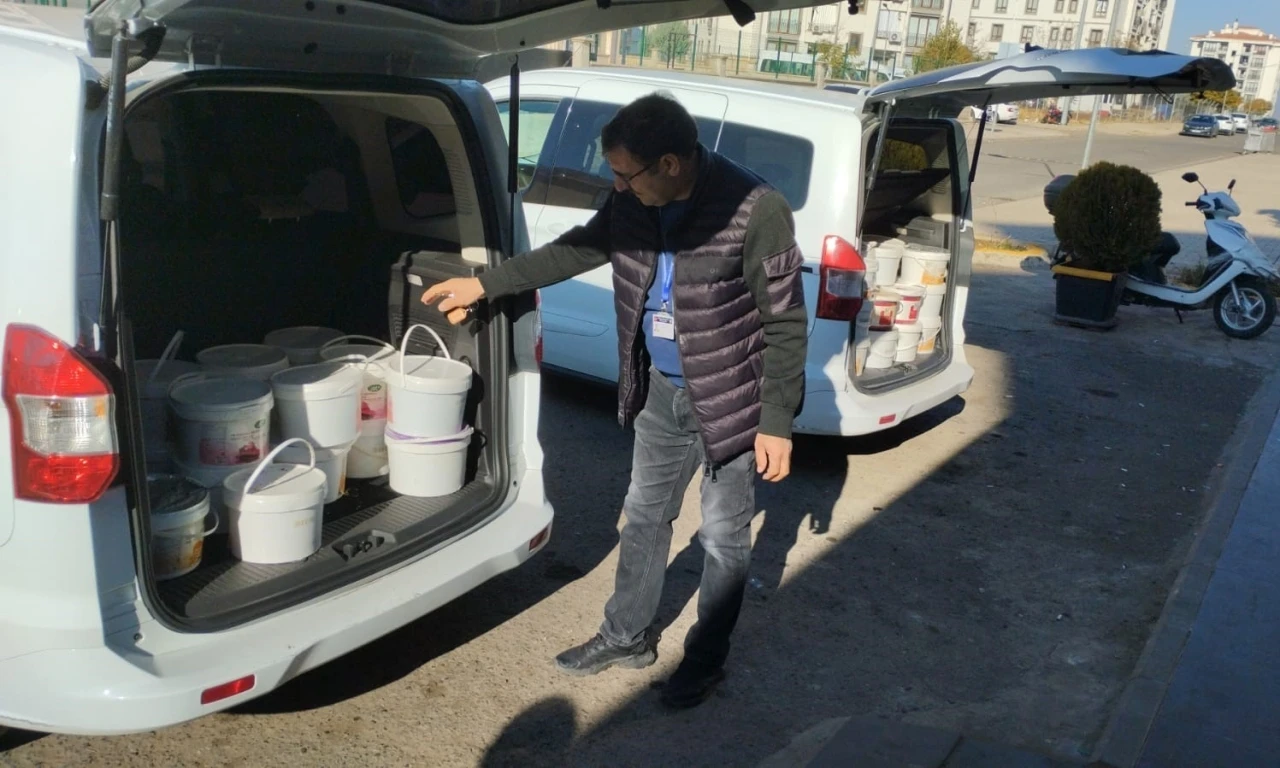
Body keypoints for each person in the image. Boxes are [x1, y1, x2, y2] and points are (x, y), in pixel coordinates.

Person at [422, 92, 807, 709]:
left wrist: (776, 421)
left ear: (671, 164)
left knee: (723, 538)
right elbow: (576, 247)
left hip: (731, 399)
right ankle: (625, 638)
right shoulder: (633, 201)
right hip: (662, 391)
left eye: (627, 174)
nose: (618, 187)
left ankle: (704, 662)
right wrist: (484, 285)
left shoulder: (756, 208)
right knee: (645, 516)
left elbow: (785, 320)